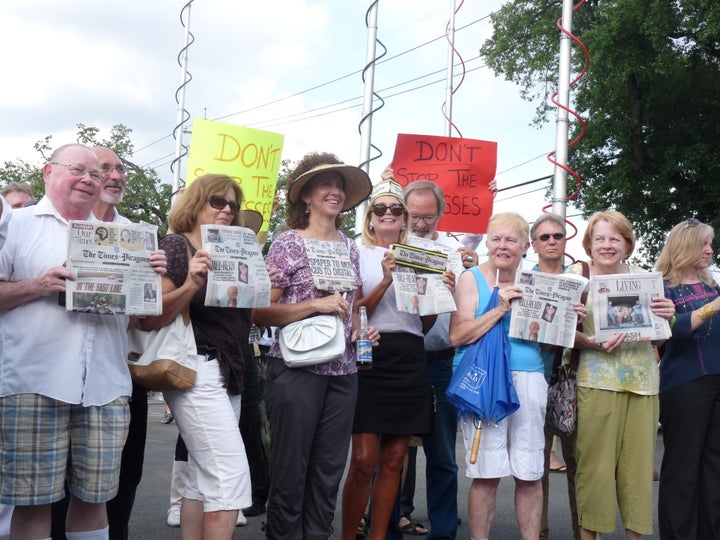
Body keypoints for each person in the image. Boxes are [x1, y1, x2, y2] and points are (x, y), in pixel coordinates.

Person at [0, 143, 166, 540]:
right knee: (33, 502)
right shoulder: (17, 226)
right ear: (47, 172)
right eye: (79, 170)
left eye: (96, 175)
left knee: (96, 501)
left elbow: (143, 321)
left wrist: (151, 281)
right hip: (34, 382)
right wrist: (39, 285)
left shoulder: (126, 238)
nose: (90, 180)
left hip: (105, 387)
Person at [253, 152, 377, 539]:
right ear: (305, 195)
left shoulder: (351, 248)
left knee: (327, 474)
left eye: (340, 185)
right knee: (291, 471)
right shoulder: (287, 244)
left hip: (344, 372)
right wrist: (314, 306)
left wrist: (361, 328)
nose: (335, 191)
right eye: (326, 184)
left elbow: (351, 307)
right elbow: (260, 312)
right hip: (295, 370)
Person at [143, 173, 254, 539]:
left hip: (231, 370)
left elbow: (245, 317)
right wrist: (191, 282)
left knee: (201, 477)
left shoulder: (236, 249)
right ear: (196, 203)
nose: (226, 210)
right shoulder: (176, 246)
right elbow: (151, 317)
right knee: (229, 476)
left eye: (233, 205)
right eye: (217, 202)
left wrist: (259, 281)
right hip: (195, 367)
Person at [341, 179, 453, 540]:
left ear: (405, 218)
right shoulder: (356, 252)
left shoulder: (421, 255)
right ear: (369, 218)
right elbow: (352, 310)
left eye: (395, 209)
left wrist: (438, 295)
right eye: (380, 209)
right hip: (370, 353)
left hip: (410, 355)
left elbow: (422, 322)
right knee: (363, 460)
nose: (388, 215)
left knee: (394, 461)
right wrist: (386, 281)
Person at [565, 210, 674, 540]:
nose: (607, 245)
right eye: (599, 238)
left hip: (643, 385)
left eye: (615, 239)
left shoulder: (645, 278)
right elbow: (556, 333)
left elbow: (657, 337)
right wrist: (579, 329)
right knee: (594, 472)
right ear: (589, 244)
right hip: (595, 384)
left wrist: (667, 317)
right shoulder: (576, 276)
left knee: (637, 473)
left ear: (627, 244)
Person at [395, 176, 486, 539]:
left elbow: (470, 304)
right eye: (414, 216)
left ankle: (444, 531)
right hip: (397, 362)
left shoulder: (451, 251)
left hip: (441, 360)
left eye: (428, 217)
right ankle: (385, 525)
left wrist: (469, 275)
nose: (420, 224)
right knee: (391, 454)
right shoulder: (391, 245)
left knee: (443, 455)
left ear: (440, 215)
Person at [449, 212, 549, 540]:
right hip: (485, 381)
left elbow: (550, 337)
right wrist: (499, 309)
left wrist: (568, 320)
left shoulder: (537, 281)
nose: (502, 246)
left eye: (511, 240)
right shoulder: (471, 278)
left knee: (530, 473)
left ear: (525, 247)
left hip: (529, 376)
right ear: (488, 243)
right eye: (496, 239)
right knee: (487, 474)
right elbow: (458, 336)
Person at [655, 218, 720, 539]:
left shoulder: (712, 286)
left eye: (711, 244)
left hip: (716, 381)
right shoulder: (662, 286)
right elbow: (671, 330)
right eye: (704, 244)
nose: (710, 250)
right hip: (684, 384)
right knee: (682, 469)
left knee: (714, 468)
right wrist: (714, 308)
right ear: (686, 247)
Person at [530, 213, 579, 540]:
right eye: (544, 237)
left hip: (573, 378)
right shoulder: (522, 280)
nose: (551, 242)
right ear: (533, 244)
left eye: (557, 236)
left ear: (565, 241)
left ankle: (583, 533)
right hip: (533, 376)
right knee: (535, 466)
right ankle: (540, 532)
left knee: (579, 465)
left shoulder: (580, 281)